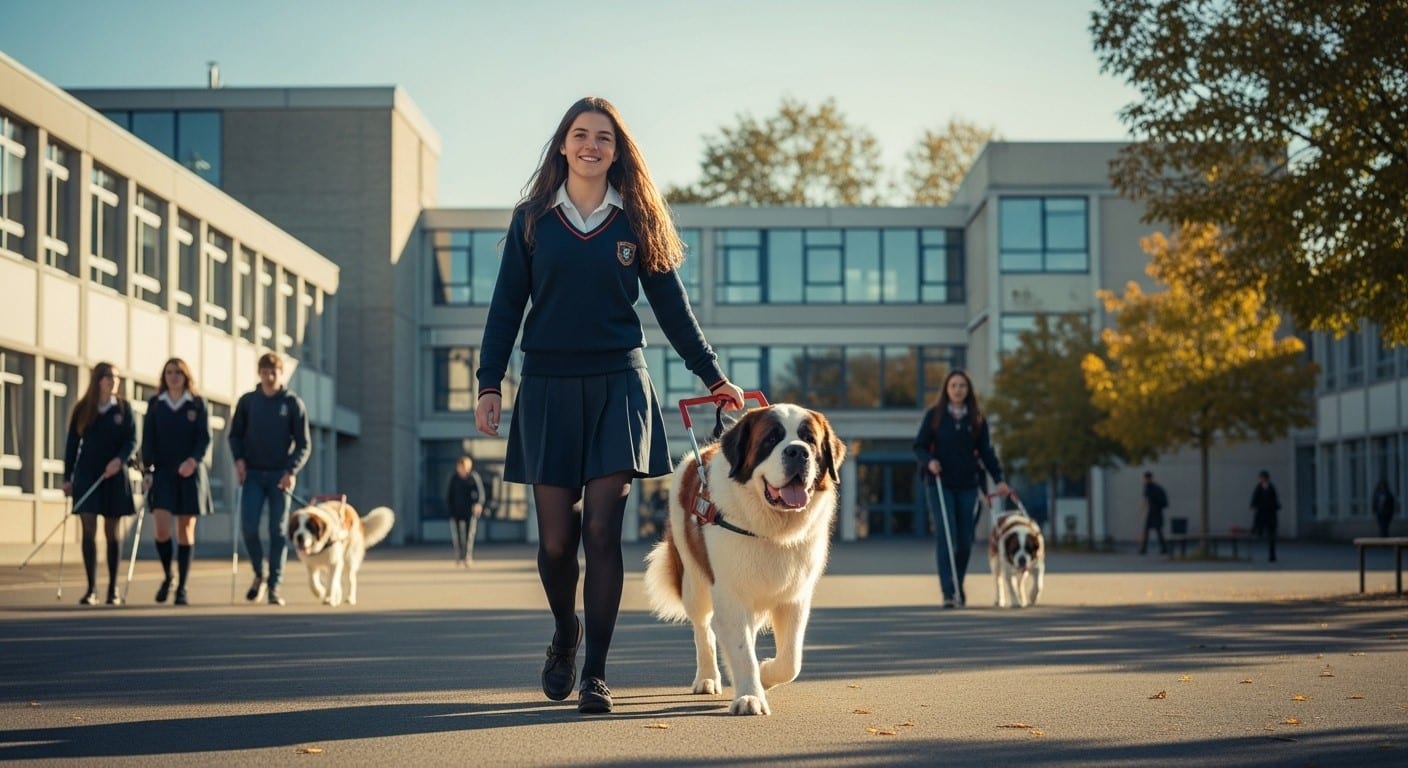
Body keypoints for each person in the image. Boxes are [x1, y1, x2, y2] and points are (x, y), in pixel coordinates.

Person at [474, 96, 745, 715]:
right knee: (554, 545)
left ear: (617, 150)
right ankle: (564, 632)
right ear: (563, 145)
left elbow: (673, 310)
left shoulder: (638, 219)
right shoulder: (532, 220)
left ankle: (595, 672)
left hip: (618, 386)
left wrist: (712, 375)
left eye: (604, 137)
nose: (592, 145)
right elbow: (505, 309)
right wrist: (490, 383)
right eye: (580, 135)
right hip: (545, 387)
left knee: (602, 530)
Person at [912, 369, 1010, 609]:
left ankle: (958, 584)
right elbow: (919, 446)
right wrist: (929, 461)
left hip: (968, 485)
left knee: (965, 541)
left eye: (962, 386)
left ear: (968, 390)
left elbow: (986, 452)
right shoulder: (934, 416)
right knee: (947, 537)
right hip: (940, 484)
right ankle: (949, 592)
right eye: (954, 385)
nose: (958, 390)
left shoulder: (976, 418)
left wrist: (998, 479)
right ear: (947, 389)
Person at [228, 352, 310, 606]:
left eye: (273, 371)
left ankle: (274, 585)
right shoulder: (248, 402)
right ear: (259, 373)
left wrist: (291, 471)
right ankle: (259, 572)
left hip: (279, 477)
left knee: (277, 531)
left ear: (280, 373)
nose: (269, 376)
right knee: (249, 527)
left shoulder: (292, 403)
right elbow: (235, 435)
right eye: (264, 371)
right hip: (252, 473)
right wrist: (239, 460)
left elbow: (303, 444)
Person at [62, 362, 137, 606]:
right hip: (87, 474)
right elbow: (72, 444)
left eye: (115, 377)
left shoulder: (124, 409)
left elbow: (132, 441)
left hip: (114, 475)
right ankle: (91, 588)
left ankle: (112, 589)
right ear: (97, 380)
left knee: (112, 532)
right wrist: (67, 477)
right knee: (88, 528)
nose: (112, 381)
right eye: (107, 377)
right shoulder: (83, 409)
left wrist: (119, 460)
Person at [140, 358, 212, 605]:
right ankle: (168, 575)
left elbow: (204, 439)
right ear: (164, 376)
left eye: (178, 373)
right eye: (169, 372)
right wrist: (146, 469)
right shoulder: (156, 404)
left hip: (190, 473)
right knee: (161, 529)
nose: (173, 377)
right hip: (162, 473)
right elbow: (148, 439)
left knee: (185, 530)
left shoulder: (198, 404)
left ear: (186, 376)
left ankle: (181, 586)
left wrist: (193, 461)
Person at [445, 455, 486, 567]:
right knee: (457, 536)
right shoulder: (454, 478)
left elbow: (481, 494)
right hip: (456, 510)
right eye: (460, 466)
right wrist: (450, 510)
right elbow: (449, 495)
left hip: (470, 511)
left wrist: (478, 504)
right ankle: (459, 556)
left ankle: (468, 557)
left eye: (464, 466)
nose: (462, 469)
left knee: (469, 535)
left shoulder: (473, 477)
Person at [1249, 470, 1281, 563]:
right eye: (1260, 478)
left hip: (1270, 515)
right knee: (1259, 531)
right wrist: (1254, 506)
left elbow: (1275, 500)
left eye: (1262, 478)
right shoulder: (1258, 487)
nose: (1261, 479)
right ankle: (1257, 532)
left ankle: (1272, 556)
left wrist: (1275, 507)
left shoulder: (1271, 487)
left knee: (1271, 536)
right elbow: (1254, 498)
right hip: (1261, 514)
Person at [1139, 471, 1169, 555]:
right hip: (1158, 511)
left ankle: (1143, 549)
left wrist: (1142, 511)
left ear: (1146, 478)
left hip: (1152, 512)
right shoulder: (1157, 487)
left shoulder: (1148, 487)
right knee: (1158, 530)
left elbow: (1145, 500)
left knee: (1146, 530)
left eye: (1144, 478)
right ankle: (1164, 548)